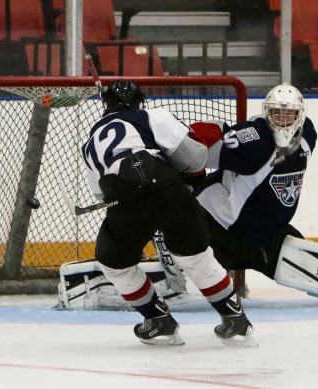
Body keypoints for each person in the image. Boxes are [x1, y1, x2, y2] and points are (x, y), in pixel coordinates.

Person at [189, 83, 318, 305]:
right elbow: (206, 143)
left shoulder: (308, 135)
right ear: (267, 113)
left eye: (289, 113)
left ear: (300, 115)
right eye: (276, 113)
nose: (283, 119)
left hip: (268, 236)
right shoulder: (255, 142)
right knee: (185, 258)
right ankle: (170, 263)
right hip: (219, 230)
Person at [81, 80, 254, 346]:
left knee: (114, 263)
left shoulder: (91, 141)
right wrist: (186, 180)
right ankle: (236, 321)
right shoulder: (152, 116)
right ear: (141, 101)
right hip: (167, 187)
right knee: (196, 257)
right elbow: (195, 158)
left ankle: (159, 321)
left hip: (125, 199)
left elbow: (102, 195)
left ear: (106, 105)